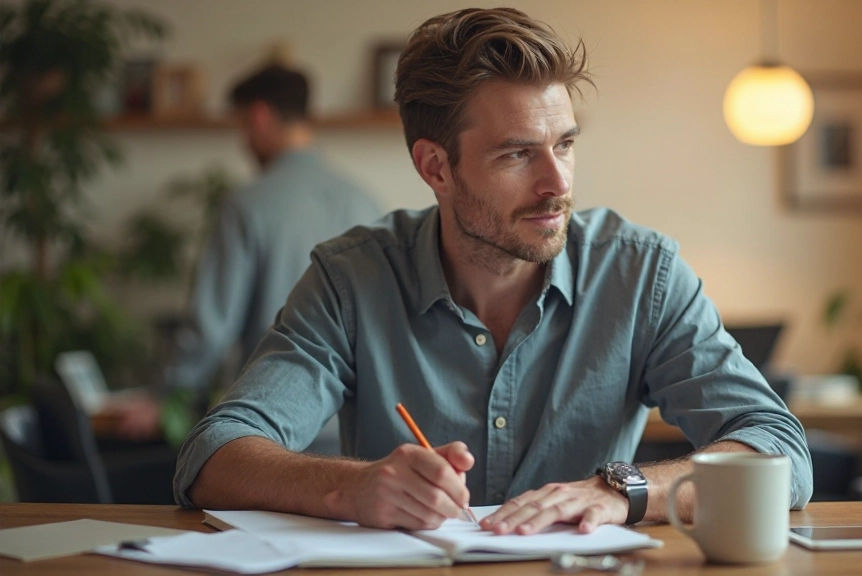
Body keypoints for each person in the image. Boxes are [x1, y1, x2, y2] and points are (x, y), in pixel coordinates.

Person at [174, 8, 812, 534]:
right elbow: (214, 454)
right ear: (436, 168)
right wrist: (355, 488)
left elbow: (780, 447)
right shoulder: (351, 280)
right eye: (517, 154)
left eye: (565, 144)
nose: (556, 183)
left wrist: (626, 490)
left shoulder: (641, 275)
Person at [106, 64, 382, 442]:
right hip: (358, 429)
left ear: (259, 116)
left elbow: (211, 326)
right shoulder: (366, 203)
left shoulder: (247, 205)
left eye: (241, 127)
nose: (244, 142)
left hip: (275, 427)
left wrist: (163, 397)